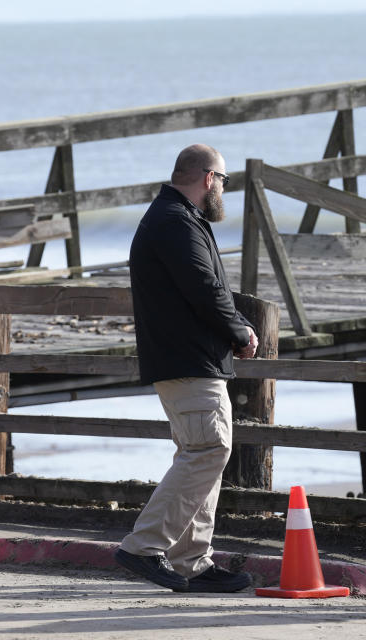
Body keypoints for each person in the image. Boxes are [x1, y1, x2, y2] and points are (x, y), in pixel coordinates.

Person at [113, 143, 258, 592]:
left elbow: (200, 285)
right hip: (187, 359)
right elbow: (204, 287)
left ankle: (193, 559)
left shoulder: (174, 217)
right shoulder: (175, 221)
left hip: (188, 358)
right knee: (207, 451)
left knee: (203, 454)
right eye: (224, 182)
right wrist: (240, 330)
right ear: (208, 178)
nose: (223, 191)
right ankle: (144, 546)